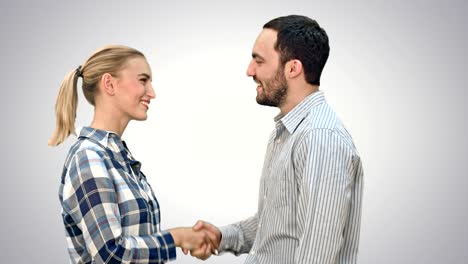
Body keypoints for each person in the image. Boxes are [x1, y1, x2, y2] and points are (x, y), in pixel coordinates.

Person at [191, 15, 364, 263]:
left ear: (292, 68)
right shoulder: (287, 132)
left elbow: (318, 254)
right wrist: (222, 236)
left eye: (259, 61)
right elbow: (275, 225)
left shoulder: (320, 139)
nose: (249, 71)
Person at [48, 45, 216, 263]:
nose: (152, 93)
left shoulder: (117, 158)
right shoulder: (89, 157)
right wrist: (177, 237)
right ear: (109, 84)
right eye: (143, 80)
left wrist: (186, 239)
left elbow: (135, 242)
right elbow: (110, 254)